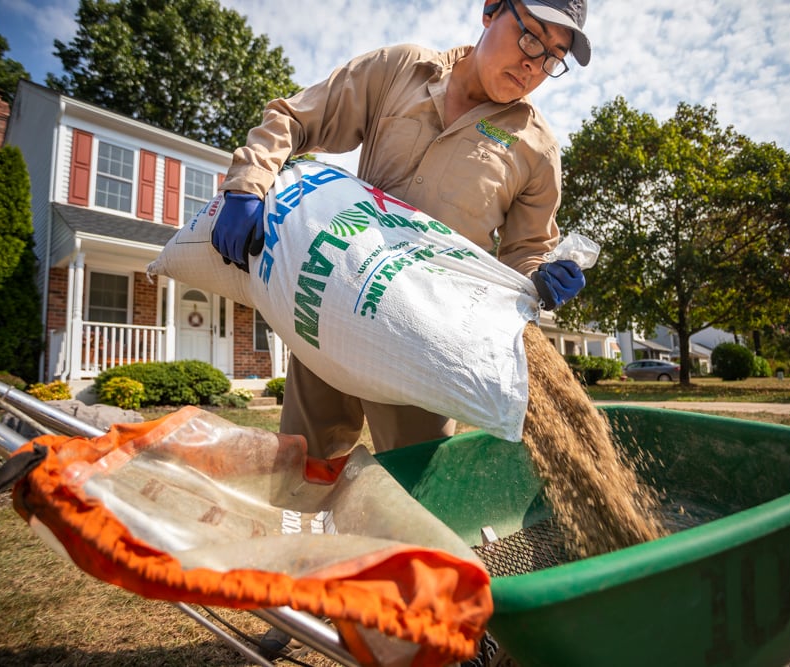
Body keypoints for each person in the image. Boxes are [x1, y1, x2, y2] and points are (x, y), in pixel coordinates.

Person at [213, 0, 592, 461]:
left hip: (424, 342)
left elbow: (526, 253)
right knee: (302, 467)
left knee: (417, 486)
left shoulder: (537, 150)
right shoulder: (400, 71)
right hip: (327, 302)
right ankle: (302, 532)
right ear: (491, 11)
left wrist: (541, 276)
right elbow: (294, 118)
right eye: (532, 36)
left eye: (555, 57)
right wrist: (247, 187)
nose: (535, 64)